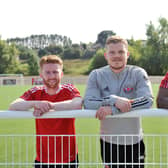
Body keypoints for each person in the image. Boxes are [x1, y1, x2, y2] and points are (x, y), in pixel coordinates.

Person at [84, 36, 153, 168]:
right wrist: (114, 100)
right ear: (106, 55)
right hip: (109, 142)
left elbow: (147, 100)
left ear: (127, 54)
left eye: (121, 52)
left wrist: (113, 109)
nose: (117, 56)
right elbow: (88, 102)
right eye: (112, 52)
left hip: (134, 141)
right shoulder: (96, 74)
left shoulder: (138, 73)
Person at [9, 55, 82, 168]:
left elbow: (78, 103)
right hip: (43, 157)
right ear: (41, 75)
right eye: (47, 72)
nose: (51, 76)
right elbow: (13, 106)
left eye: (55, 72)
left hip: (68, 157)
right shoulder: (36, 91)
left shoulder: (69, 89)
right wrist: (35, 103)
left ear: (61, 74)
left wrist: (50, 105)